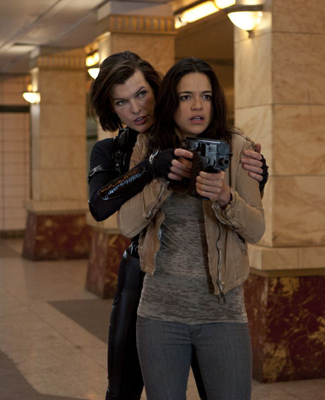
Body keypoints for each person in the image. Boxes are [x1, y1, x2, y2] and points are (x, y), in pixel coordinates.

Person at [87, 51, 268, 400]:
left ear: (159, 92)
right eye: (122, 102)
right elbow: (105, 210)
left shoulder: (233, 144)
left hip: (220, 298)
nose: (136, 108)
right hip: (147, 282)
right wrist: (155, 171)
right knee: (122, 388)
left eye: (142, 94)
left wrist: (252, 176)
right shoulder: (122, 149)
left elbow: (253, 223)